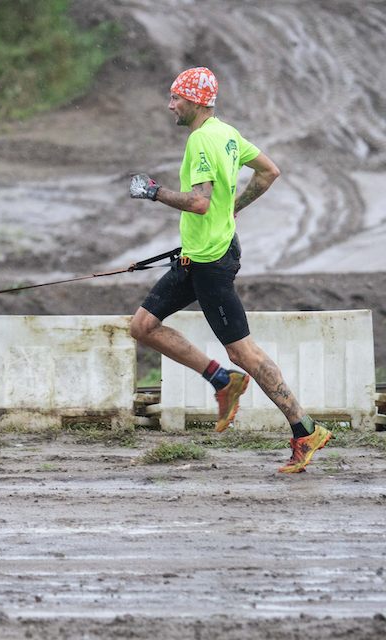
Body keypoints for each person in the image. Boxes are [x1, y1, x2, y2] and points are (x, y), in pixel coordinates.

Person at [127, 67, 331, 473]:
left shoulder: (202, 139)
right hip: (197, 254)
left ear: (198, 102)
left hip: (212, 262)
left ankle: (306, 429)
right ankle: (222, 381)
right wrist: (232, 208)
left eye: (176, 99)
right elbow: (269, 172)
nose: (170, 105)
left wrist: (154, 192)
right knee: (143, 326)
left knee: (243, 350)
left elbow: (200, 203)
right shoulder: (226, 132)